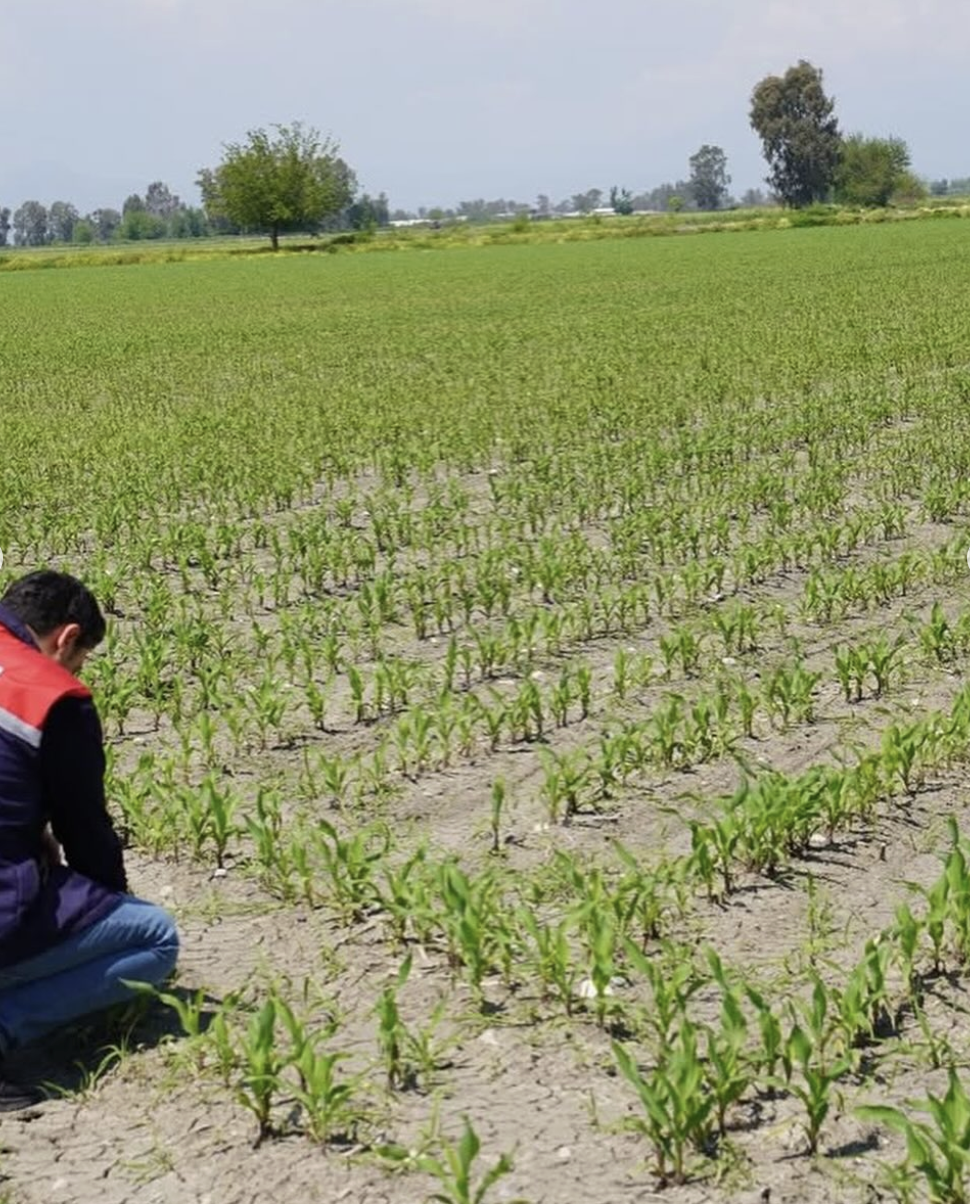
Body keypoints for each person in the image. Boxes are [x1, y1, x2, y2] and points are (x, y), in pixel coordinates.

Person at [0, 569, 179, 1109]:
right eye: (79, 657)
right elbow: (84, 829)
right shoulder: (55, 696)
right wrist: (109, 898)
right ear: (68, 637)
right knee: (154, 937)